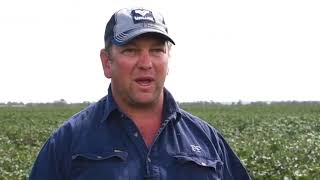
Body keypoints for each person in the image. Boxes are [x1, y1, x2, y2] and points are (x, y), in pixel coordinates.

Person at [29, 7, 252, 180]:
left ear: (168, 60)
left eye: (156, 50)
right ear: (107, 62)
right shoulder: (68, 142)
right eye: (131, 50)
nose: (146, 63)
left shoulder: (207, 140)